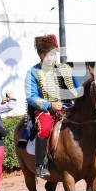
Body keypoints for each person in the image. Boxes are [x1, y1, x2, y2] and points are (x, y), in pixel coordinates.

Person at [24, 34, 81, 178]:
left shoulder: (65, 69)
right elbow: (31, 97)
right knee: (44, 130)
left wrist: (76, 97)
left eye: (52, 54)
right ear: (40, 55)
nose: (50, 58)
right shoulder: (33, 72)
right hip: (46, 110)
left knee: (86, 120)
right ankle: (40, 165)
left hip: (67, 107)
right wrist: (49, 105)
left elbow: (77, 88)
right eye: (46, 55)